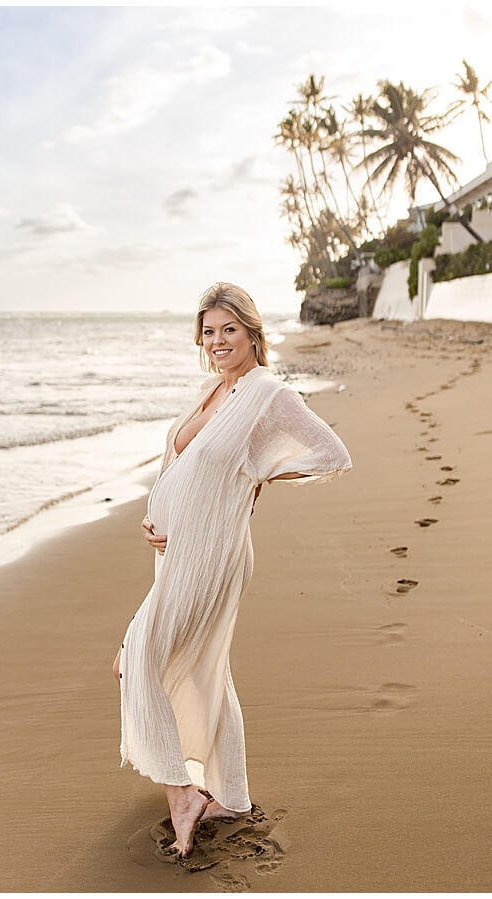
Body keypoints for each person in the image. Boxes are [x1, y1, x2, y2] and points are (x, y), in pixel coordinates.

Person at [112, 282, 352, 858]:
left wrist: (255, 479)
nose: (217, 341)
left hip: (213, 552)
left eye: (229, 330)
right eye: (209, 331)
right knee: (201, 667)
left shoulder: (267, 393)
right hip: (175, 551)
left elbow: (331, 453)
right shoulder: (211, 389)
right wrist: (164, 518)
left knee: (139, 653)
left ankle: (182, 794)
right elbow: (187, 466)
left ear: (252, 333)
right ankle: (231, 796)